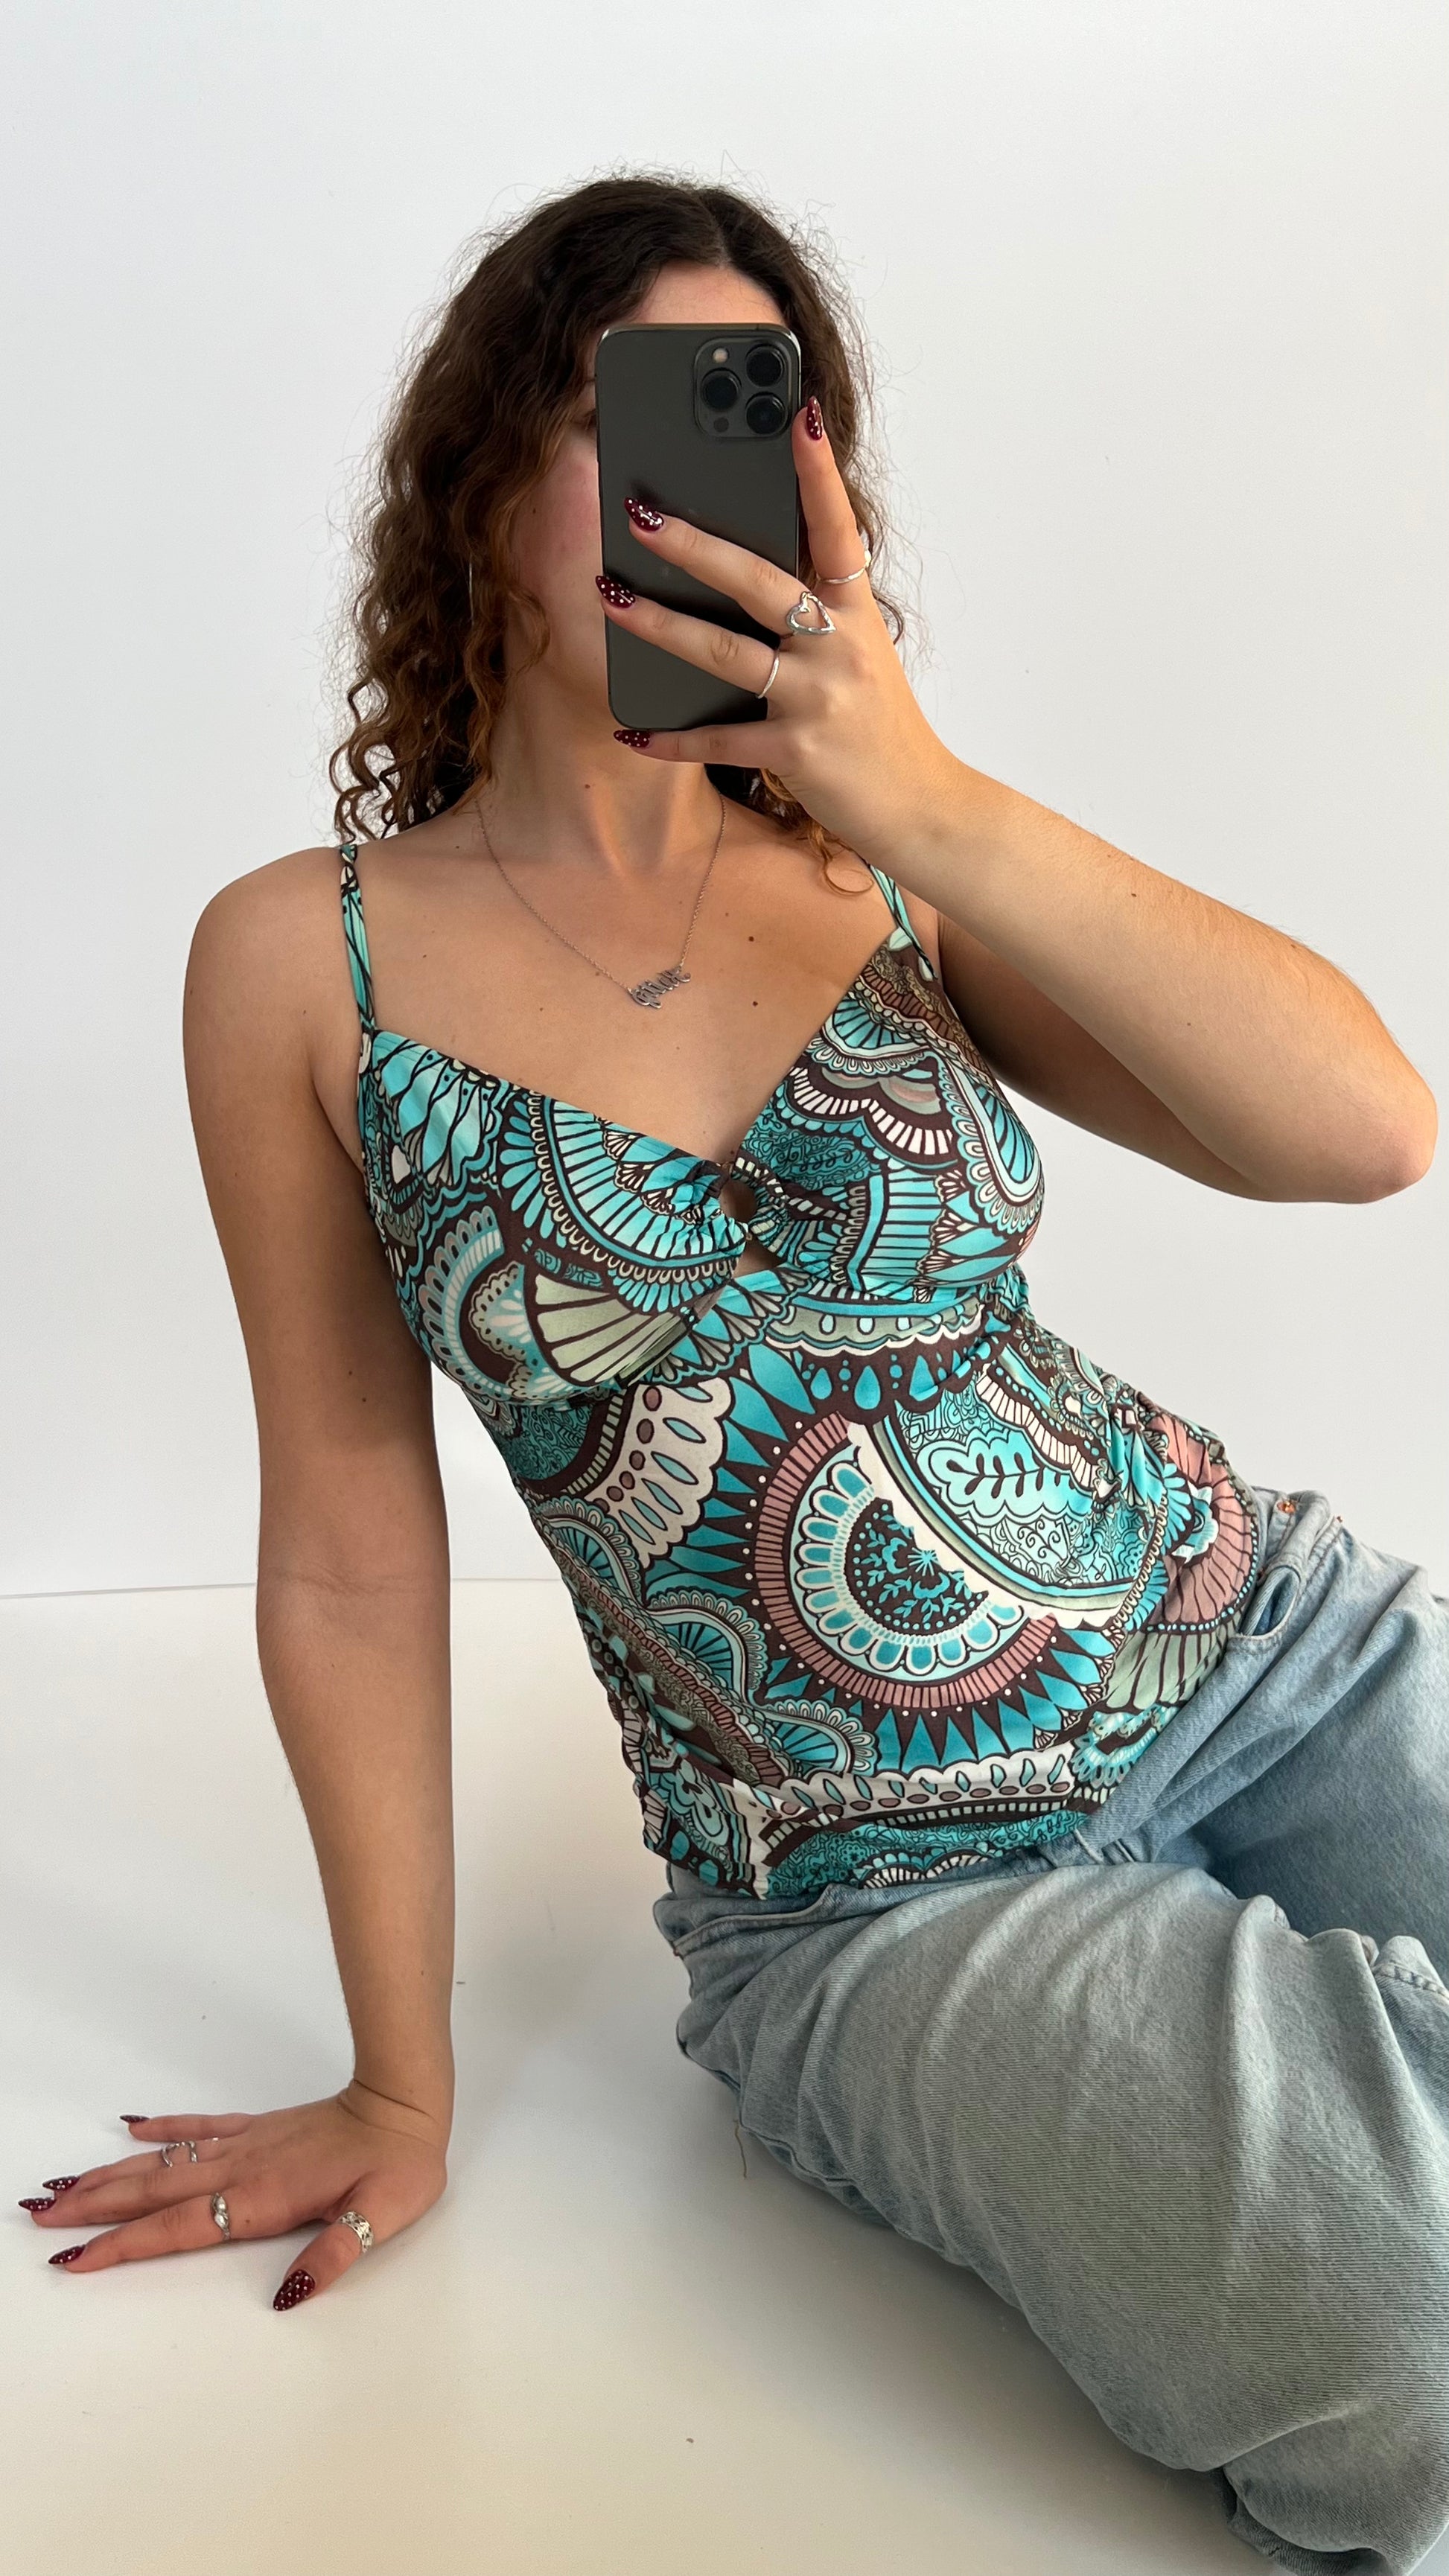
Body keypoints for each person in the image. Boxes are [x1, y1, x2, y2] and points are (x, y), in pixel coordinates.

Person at [22, 175, 1448, 2572]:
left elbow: (1365, 1132)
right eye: (643, 416)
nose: (709, 486)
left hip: (1256, 1643)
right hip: (883, 1891)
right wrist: (400, 2078)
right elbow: (352, 1539)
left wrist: (926, 794)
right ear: (481, 476)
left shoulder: (885, 874)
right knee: (1411, 2356)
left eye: (765, 424)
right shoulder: (300, 965)